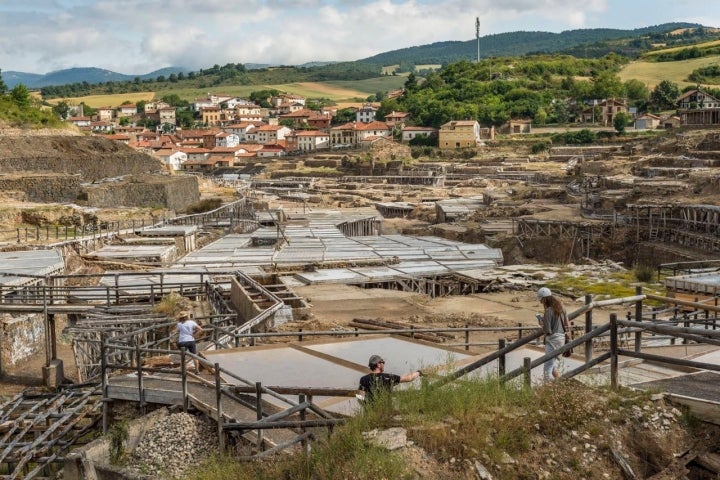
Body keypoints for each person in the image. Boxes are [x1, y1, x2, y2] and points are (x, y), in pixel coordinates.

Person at [536, 287, 570, 382]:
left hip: (552, 340)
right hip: (561, 338)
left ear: (545, 299)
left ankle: (547, 388)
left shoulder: (548, 311)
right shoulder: (562, 307)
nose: (541, 302)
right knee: (552, 364)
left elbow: (547, 330)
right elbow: (567, 323)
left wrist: (541, 323)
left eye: (541, 300)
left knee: (547, 367)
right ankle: (561, 382)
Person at [357, 354, 422, 403]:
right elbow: (409, 378)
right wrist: (419, 372)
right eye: (383, 362)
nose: (384, 364)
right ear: (378, 365)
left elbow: (360, 398)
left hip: (370, 415)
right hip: (386, 413)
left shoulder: (364, 379)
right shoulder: (388, 377)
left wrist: (367, 408)